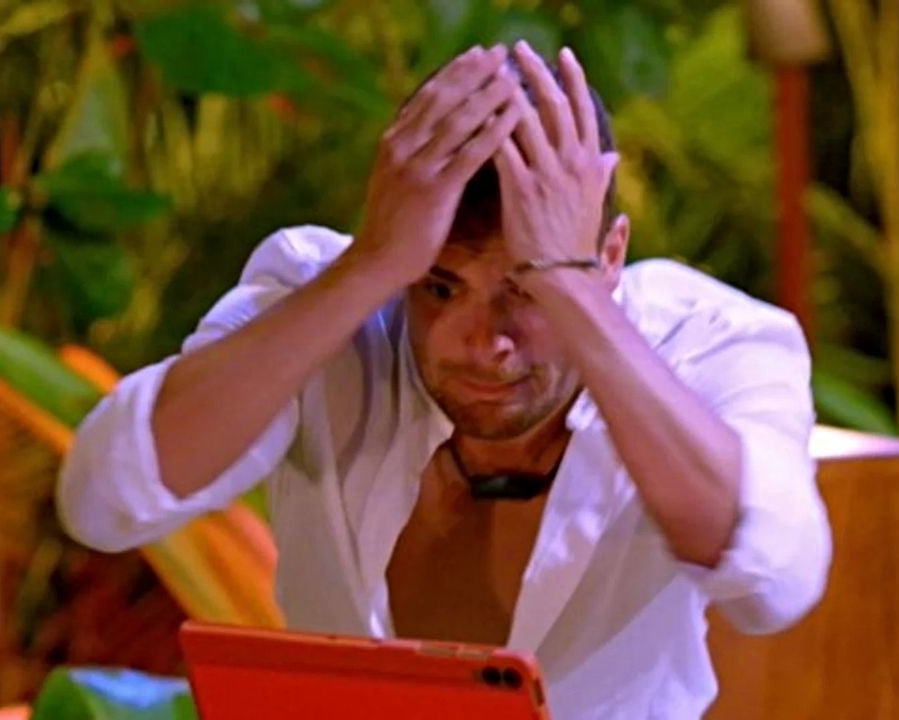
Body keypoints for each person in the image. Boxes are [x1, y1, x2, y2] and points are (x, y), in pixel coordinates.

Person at [58, 41, 831, 719]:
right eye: (441, 286)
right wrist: (373, 265)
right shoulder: (328, 299)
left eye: (523, 291)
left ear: (611, 255)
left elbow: (778, 580)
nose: (487, 343)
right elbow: (104, 500)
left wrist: (568, 283)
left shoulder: (711, 341)